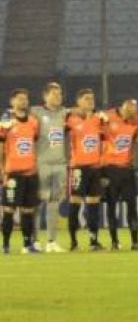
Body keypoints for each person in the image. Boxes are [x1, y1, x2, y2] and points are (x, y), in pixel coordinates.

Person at [0, 89, 42, 254]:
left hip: (31, 174)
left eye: (25, 99)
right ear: (12, 101)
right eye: (19, 99)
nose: (23, 101)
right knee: (9, 210)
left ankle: (26, 245)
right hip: (13, 173)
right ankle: (5, 245)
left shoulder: (33, 122)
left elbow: (34, 143)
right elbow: (1, 147)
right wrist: (2, 169)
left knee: (28, 211)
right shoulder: (6, 123)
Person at [102, 98, 138, 251]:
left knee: (132, 206)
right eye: (129, 113)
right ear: (123, 108)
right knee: (111, 206)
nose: (131, 117)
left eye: (134, 114)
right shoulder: (107, 117)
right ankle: (114, 242)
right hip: (110, 169)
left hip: (127, 169)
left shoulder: (137, 119)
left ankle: (135, 241)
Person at [66, 88, 106, 251]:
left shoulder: (99, 119)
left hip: (95, 168)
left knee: (93, 205)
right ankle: (74, 242)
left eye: (92, 98)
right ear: (79, 102)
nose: (91, 101)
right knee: (74, 203)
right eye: (87, 99)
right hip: (78, 168)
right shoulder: (70, 119)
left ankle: (93, 241)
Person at [30, 82, 68, 252]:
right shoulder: (36, 112)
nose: (58, 97)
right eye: (54, 94)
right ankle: (34, 240)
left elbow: (80, 113)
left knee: (54, 203)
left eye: (59, 94)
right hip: (41, 163)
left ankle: (51, 241)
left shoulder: (64, 113)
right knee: (37, 202)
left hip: (59, 163)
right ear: (45, 96)